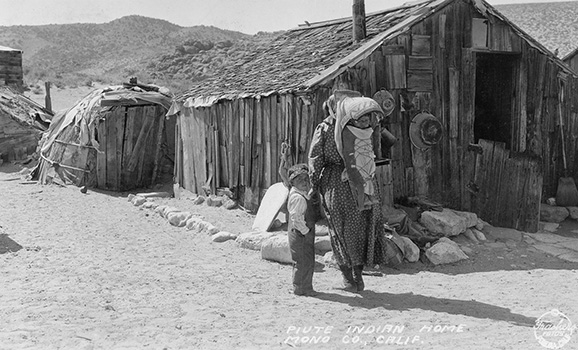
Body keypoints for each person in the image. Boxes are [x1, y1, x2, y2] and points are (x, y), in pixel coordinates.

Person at [308, 90, 402, 293]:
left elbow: (316, 159)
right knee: (362, 228)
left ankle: (349, 278)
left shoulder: (326, 128)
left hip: (337, 184)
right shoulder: (365, 126)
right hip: (365, 183)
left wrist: (313, 186)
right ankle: (358, 276)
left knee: (341, 231)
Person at [286, 163, 318, 296]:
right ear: (293, 182)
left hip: (300, 232)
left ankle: (302, 286)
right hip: (301, 234)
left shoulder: (301, 194)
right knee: (303, 261)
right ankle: (302, 288)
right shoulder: (298, 198)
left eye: (306, 179)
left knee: (304, 260)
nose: (304, 182)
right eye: (300, 180)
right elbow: (297, 219)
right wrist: (306, 232)